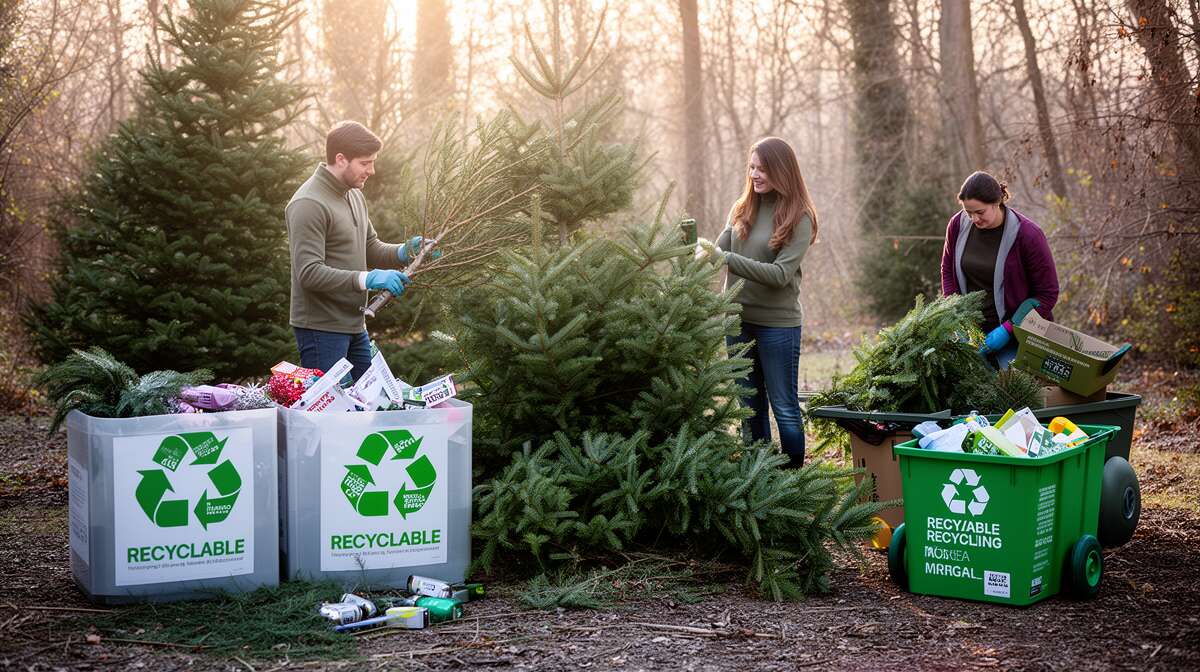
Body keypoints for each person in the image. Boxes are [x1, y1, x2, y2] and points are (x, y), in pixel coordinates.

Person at [695, 137, 818, 468]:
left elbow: (779, 274)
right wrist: (695, 257)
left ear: (781, 170)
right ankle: (759, 475)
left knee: (784, 408)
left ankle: (794, 479)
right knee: (749, 406)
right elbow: (717, 251)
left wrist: (726, 259)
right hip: (736, 321)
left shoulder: (799, 217)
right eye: (751, 167)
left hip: (778, 326)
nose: (754, 175)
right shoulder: (741, 208)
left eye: (762, 169)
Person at [286, 121, 435, 382]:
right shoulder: (309, 203)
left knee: (371, 398)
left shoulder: (353, 194)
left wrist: (405, 251)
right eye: (365, 163)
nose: (371, 170)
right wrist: (368, 278)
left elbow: (370, 247)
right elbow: (308, 273)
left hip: (354, 324)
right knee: (331, 406)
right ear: (341, 159)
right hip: (321, 329)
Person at [940, 171, 1059, 370]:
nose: (974, 219)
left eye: (980, 212)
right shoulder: (957, 226)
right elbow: (947, 270)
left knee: (1008, 385)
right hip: (970, 332)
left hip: (1015, 335)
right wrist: (955, 312)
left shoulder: (1028, 236)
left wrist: (1008, 329)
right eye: (969, 212)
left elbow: (1047, 294)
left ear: (997, 202)